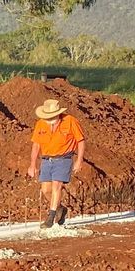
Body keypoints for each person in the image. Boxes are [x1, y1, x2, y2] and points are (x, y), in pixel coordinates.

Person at [26, 98, 86, 228]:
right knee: (46, 189)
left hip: (64, 159)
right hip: (47, 160)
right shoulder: (41, 124)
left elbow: (80, 141)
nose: (49, 120)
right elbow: (36, 145)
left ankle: (51, 217)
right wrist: (32, 165)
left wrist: (79, 160)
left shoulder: (70, 121)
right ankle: (60, 209)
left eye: (52, 117)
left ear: (58, 114)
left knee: (56, 186)